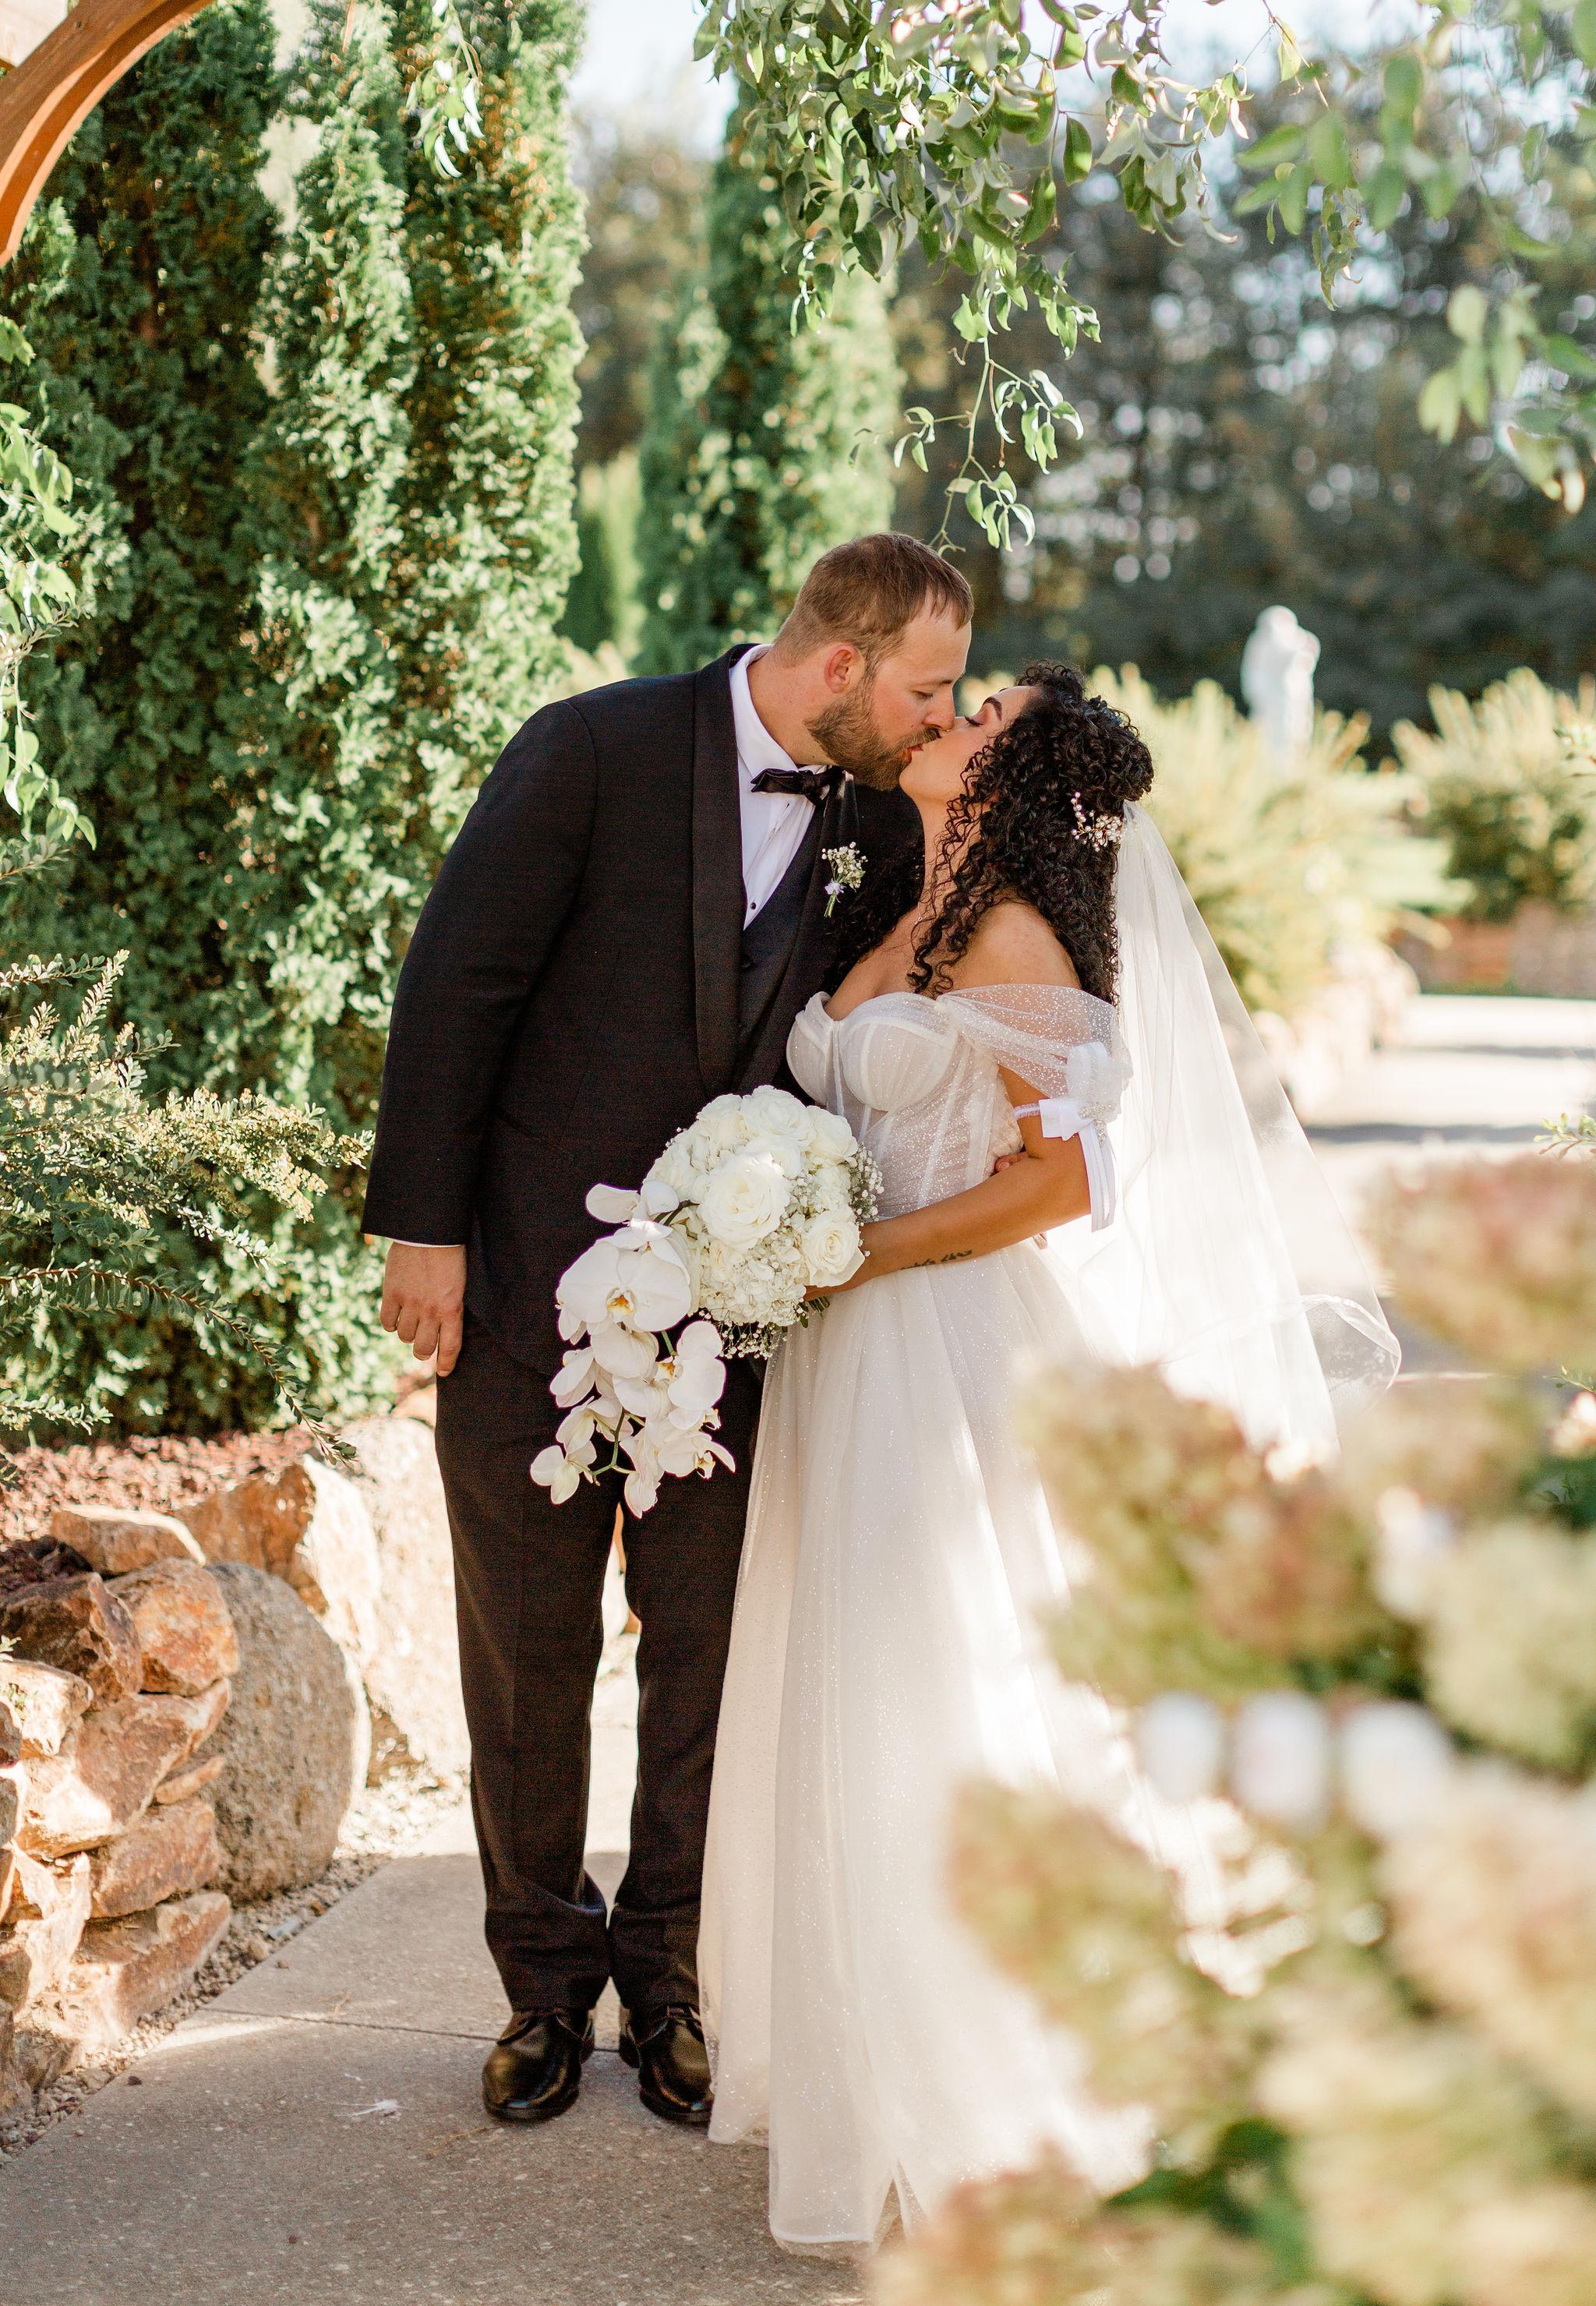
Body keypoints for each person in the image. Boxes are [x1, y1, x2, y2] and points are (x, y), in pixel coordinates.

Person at [700, 666, 1399, 2250]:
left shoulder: (1013, 934)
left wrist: (850, 1257)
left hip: (942, 1350)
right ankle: (876, 2069)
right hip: (848, 1352)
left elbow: (1061, 1183)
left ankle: (991, 2097)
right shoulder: (906, 906)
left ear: (1012, 785)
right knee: (853, 1692)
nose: (950, 715)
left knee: (938, 1698)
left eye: (984, 716)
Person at [361, 533, 972, 2128]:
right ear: (839, 664)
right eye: (926, 689)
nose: (939, 719)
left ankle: (673, 1984)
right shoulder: (591, 748)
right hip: (523, 1286)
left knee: (706, 1655)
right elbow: (457, 985)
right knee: (526, 1652)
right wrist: (423, 1229)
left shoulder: (882, 822)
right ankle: (540, 1991)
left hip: (746, 1320)